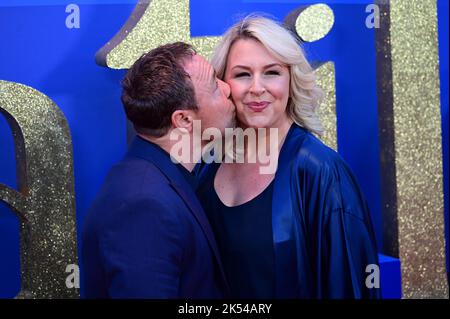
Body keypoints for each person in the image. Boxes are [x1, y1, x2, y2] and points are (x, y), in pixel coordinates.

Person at [196, 16, 381, 299]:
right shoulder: (207, 165)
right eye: (242, 74)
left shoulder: (322, 173)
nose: (257, 87)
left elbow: (350, 288)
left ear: (292, 80)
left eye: (272, 72)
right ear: (223, 85)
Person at [82, 42, 235, 298]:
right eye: (215, 84)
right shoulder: (143, 205)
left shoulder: (161, 178)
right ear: (184, 120)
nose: (228, 88)